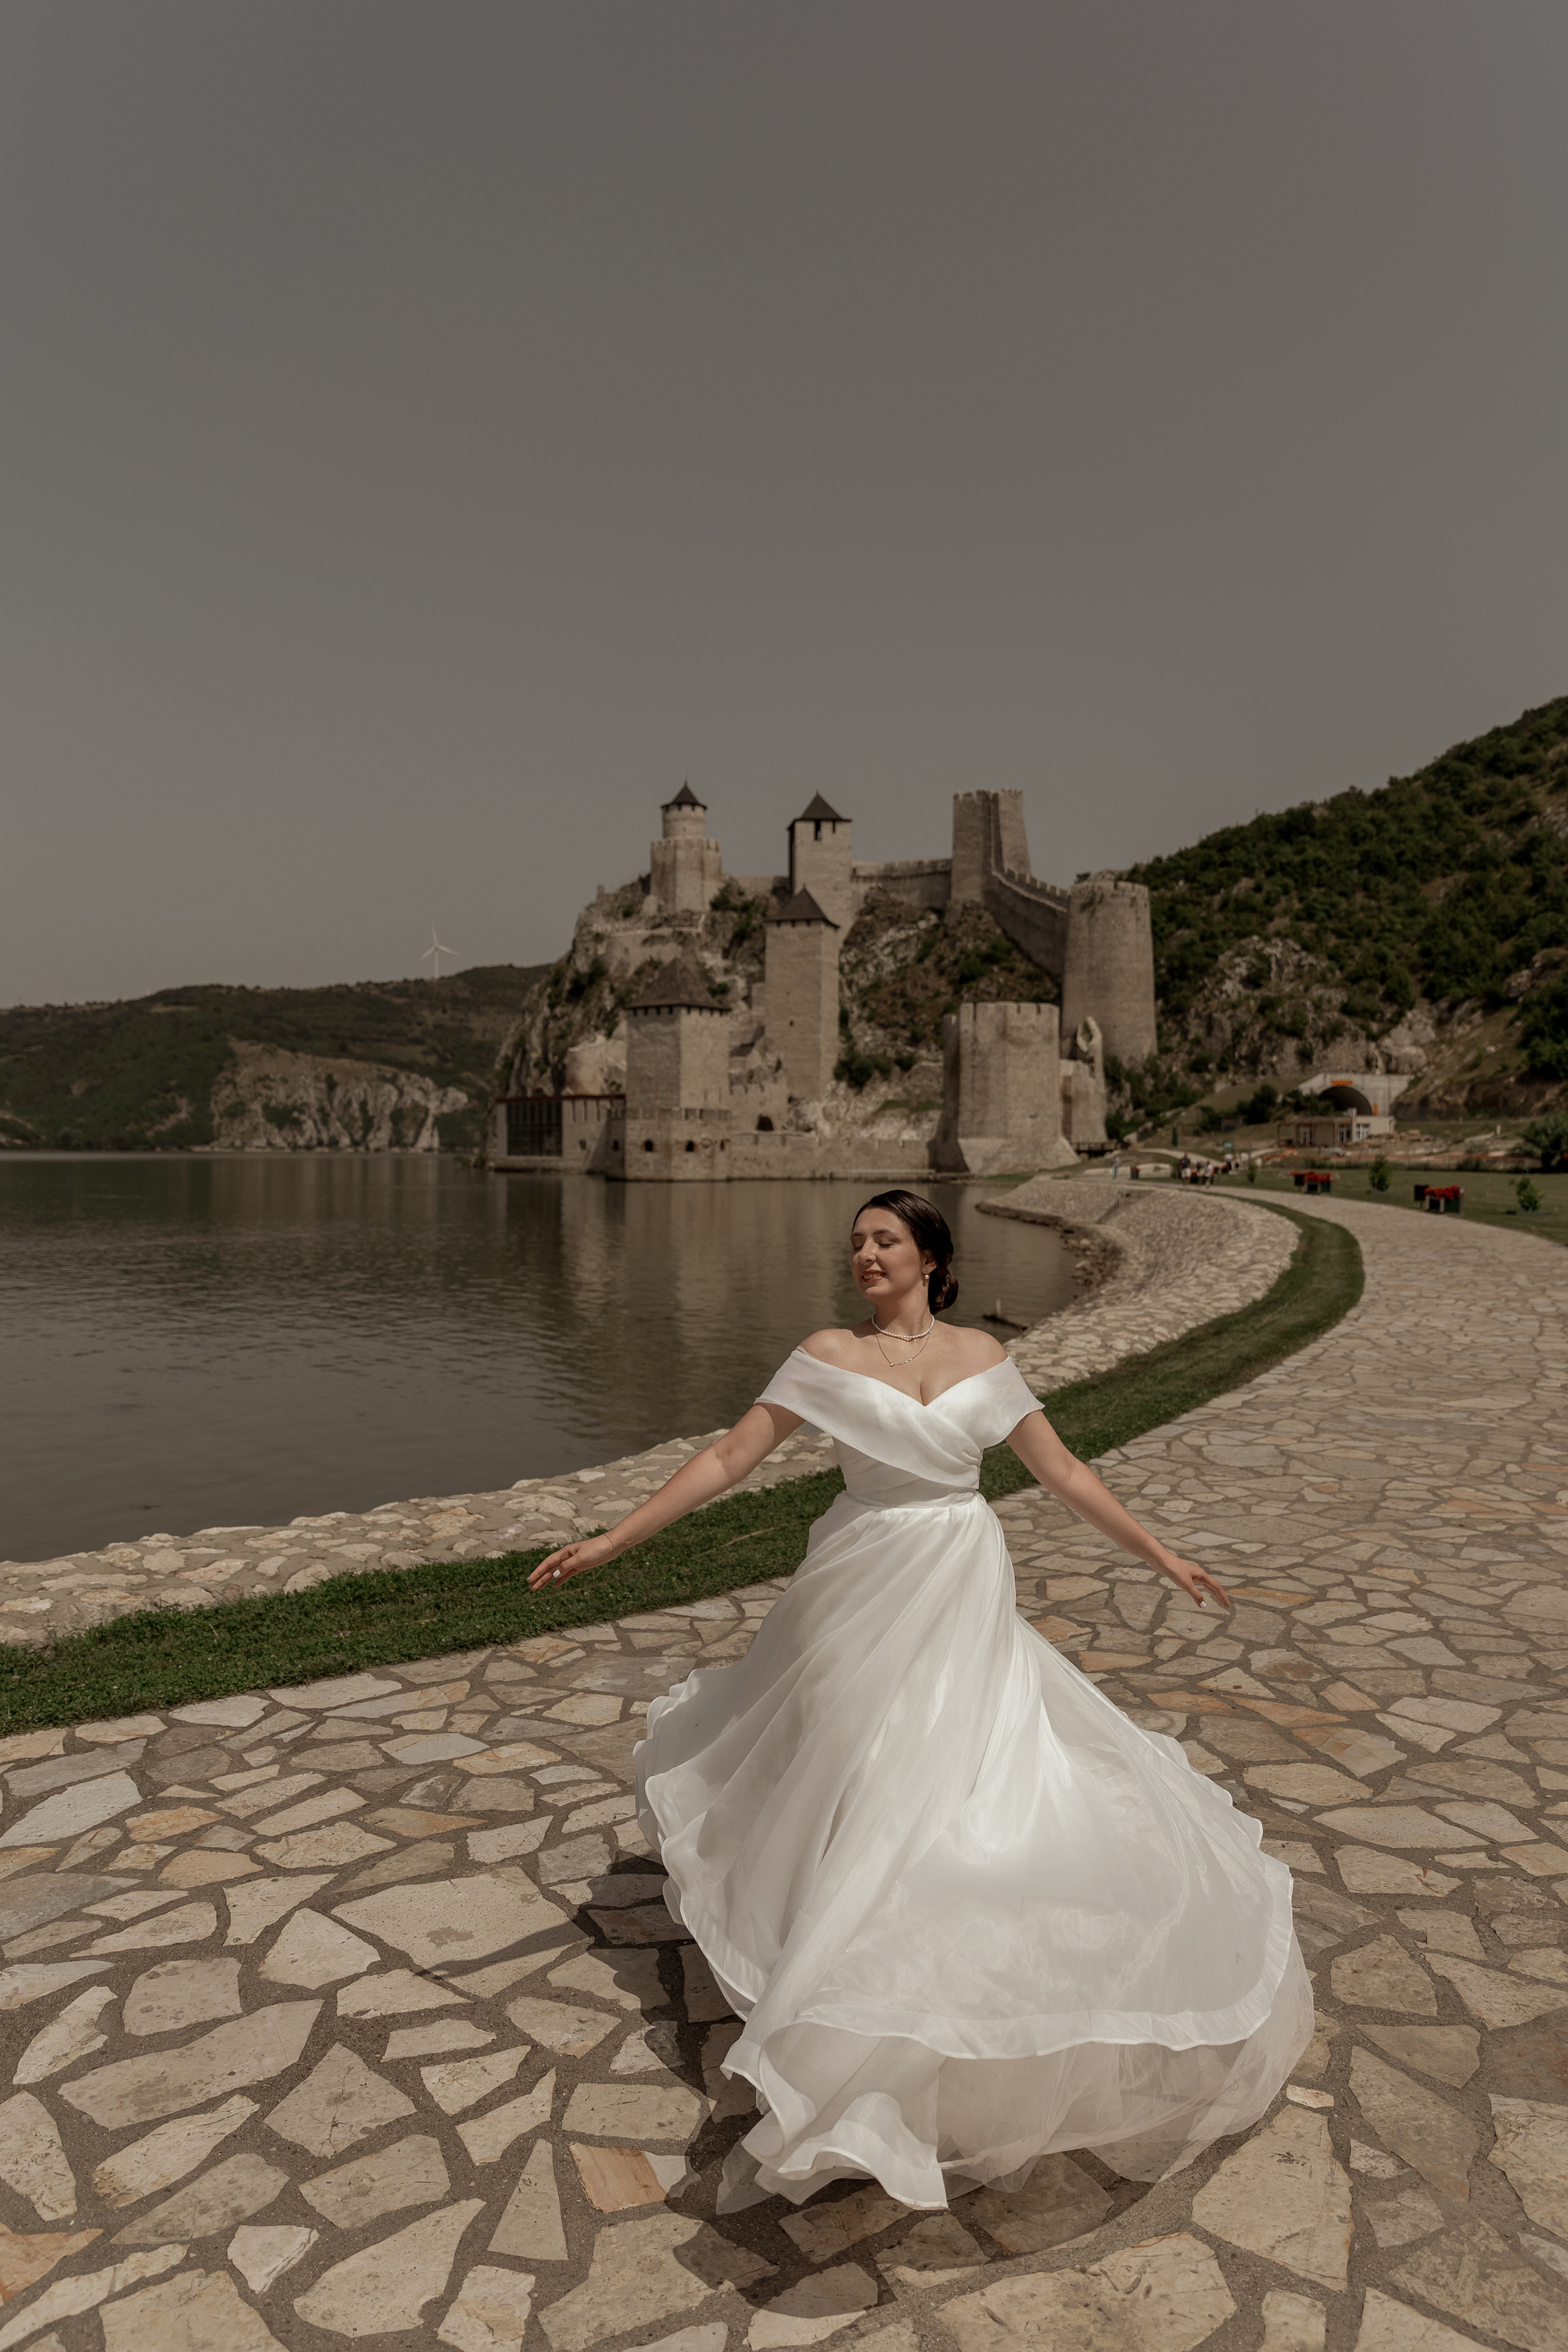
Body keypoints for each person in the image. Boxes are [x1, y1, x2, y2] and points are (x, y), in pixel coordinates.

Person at [530, 1190, 1311, 2211]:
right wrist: (612, 1540)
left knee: (946, 1776)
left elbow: (1062, 1471)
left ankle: (902, 2001)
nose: (864, 1254)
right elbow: (729, 1455)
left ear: (931, 1260)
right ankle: (829, 1957)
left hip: (956, 1576)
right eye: (856, 1242)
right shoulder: (826, 1354)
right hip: (858, 1580)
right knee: (850, 1763)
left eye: (884, 1239)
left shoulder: (985, 1358)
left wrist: (1160, 1552)